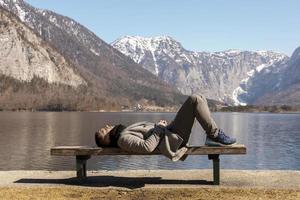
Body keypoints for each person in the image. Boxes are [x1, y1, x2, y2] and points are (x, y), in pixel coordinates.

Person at [95, 94, 236, 161]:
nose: (106, 126)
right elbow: (146, 147)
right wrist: (159, 129)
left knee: (200, 97)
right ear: (106, 140)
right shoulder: (123, 139)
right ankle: (214, 135)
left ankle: (212, 136)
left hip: (169, 132)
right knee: (195, 100)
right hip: (171, 139)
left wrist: (161, 127)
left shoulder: (124, 132)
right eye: (103, 130)